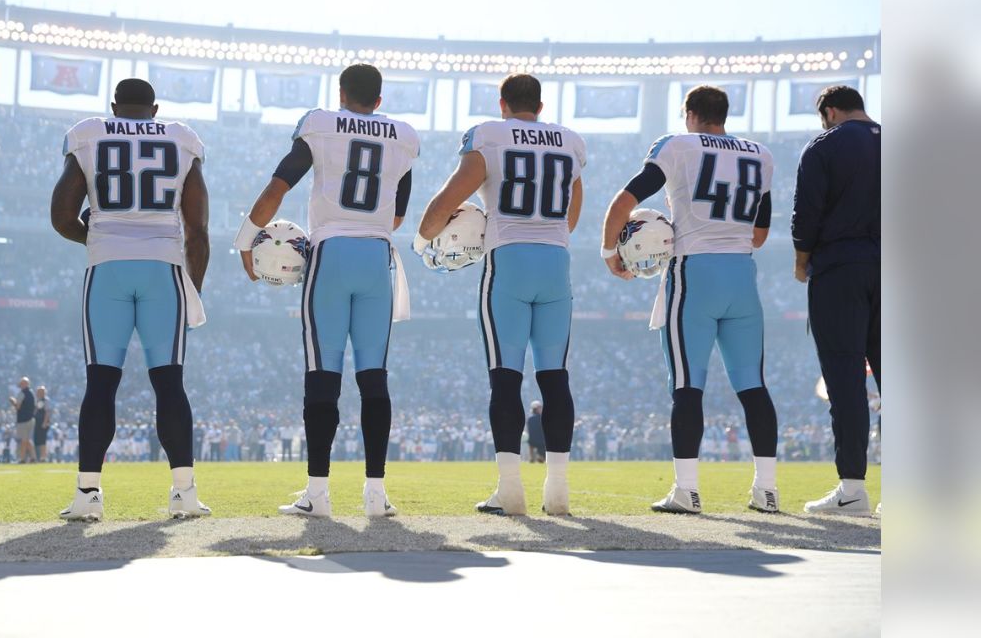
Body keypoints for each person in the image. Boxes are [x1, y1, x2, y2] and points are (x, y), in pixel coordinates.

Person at [237, 64, 418, 518]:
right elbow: (397, 216)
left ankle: (317, 494)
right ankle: (376, 495)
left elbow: (279, 187)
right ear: (379, 100)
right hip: (378, 259)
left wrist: (246, 238)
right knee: (374, 378)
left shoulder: (320, 123)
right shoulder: (403, 136)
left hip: (331, 255)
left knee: (323, 376)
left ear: (341, 93)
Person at [600, 84, 780, 514]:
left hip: (695, 275)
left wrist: (610, 252)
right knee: (753, 387)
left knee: (686, 386)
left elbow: (626, 199)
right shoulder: (760, 153)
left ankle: (687, 491)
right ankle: (768, 491)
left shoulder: (677, 145)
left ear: (690, 113)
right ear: (724, 113)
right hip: (741, 275)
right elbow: (759, 233)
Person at [415, 74, 582, 516]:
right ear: (541, 107)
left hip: (508, 261)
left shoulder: (488, 134)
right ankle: (558, 490)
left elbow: (457, 189)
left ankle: (510, 491)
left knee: (505, 378)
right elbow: (573, 209)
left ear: (502, 103)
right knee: (555, 378)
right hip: (555, 262)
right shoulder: (569, 141)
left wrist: (424, 236)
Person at [51, 78, 211, 521]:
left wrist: (101, 238)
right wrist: (192, 286)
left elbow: (61, 216)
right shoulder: (181, 138)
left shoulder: (89, 133)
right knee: (169, 382)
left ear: (113, 107)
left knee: (101, 383)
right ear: (155, 109)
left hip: (107, 269)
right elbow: (197, 230)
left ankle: (88, 496)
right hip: (163, 268)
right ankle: (184, 494)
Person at [791, 85, 881, 515]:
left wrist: (801, 260)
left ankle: (852, 488)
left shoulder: (824, 145)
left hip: (841, 268)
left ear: (829, 111)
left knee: (846, 380)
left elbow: (805, 213)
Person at [10, 377, 37, 463]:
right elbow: (35, 407)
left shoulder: (21, 393)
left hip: (23, 420)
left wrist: (13, 401)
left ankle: (22, 459)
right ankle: (33, 457)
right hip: (31, 419)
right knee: (27, 439)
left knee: (24, 440)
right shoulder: (32, 393)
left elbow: (18, 406)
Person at [34, 385, 51, 462]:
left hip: (42, 422)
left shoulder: (45, 400)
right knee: (38, 440)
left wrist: (44, 422)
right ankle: (40, 456)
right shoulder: (38, 400)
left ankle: (43, 457)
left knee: (42, 440)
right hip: (37, 422)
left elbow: (47, 412)